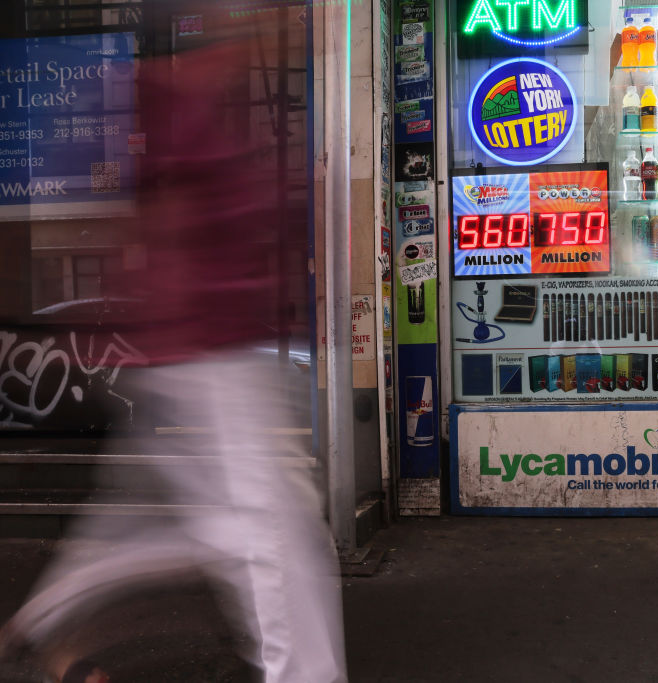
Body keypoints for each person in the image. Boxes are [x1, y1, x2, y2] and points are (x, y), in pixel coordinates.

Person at [0, 15, 346, 683]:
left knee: (193, 522)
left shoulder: (190, 108)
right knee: (271, 531)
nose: (257, 43)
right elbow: (158, 220)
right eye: (243, 27)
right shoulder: (170, 104)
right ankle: (304, 674)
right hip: (208, 350)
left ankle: (39, 622)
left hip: (205, 349)